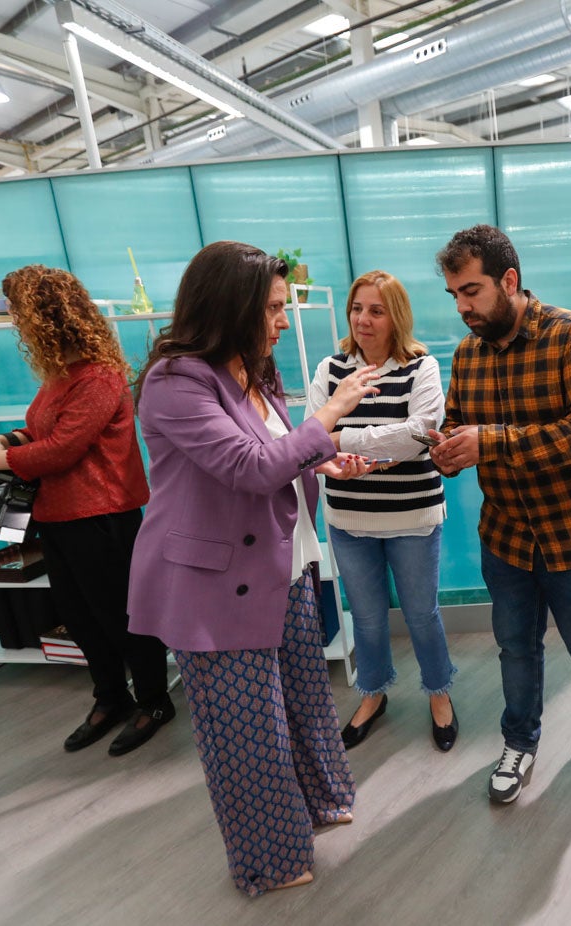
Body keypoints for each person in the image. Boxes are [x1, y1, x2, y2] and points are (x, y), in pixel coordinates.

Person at [126, 240, 382, 895]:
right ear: (230, 306)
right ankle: (269, 861)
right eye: (271, 307)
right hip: (213, 586)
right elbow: (247, 468)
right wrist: (327, 418)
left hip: (285, 561)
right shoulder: (175, 381)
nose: (283, 320)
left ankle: (321, 804)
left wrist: (317, 459)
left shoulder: (253, 369)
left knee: (303, 702)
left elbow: (270, 452)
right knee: (246, 735)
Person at [429, 224, 571, 805]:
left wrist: (490, 441)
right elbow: (460, 425)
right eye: (455, 296)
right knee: (516, 647)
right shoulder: (467, 355)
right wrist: (444, 448)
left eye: (471, 291)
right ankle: (519, 741)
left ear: (509, 281)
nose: (462, 307)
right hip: (508, 536)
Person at [0, 265, 169, 757]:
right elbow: (41, 432)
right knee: (80, 618)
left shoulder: (99, 375)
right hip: (58, 517)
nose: (16, 322)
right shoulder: (62, 375)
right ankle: (111, 698)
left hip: (101, 515)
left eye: (19, 312)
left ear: (46, 316)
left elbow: (62, 449)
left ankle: (155, 702)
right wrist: (6, 440)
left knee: (122, 617)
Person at [305, 270, 457, 751]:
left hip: (412, 515)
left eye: (376, 309)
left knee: (421, 614)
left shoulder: (422, 367)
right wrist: (331, 454)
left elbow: (418, 435)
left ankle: (439, 693)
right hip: (349, 518)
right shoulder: (331, 369)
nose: (363, 319)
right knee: (367, 618)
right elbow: (311, 442)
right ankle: (373, 694)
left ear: (397, 317)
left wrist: (341, 438)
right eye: (357, 308)